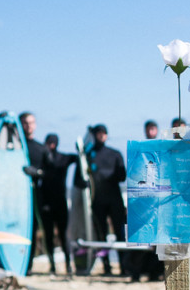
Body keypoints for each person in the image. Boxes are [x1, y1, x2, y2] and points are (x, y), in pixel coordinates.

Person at [88, 124, 128, 276]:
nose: (101, 136)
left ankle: (124, 266)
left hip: (115, 199)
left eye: (104, 133)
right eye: (99, 133)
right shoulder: (89, 154)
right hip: (97, 200)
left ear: (107, 135)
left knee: (120, 233)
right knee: (101, 234)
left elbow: (122, 176)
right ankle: (106, 266)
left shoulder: (115, 154)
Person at [38, 134, 79, 275]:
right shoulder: (41, 161)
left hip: (60, 202)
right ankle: (52, 265)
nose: (50, 146)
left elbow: (79, 158)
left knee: (63, 235)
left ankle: (68, 264)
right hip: (46, 203)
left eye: (52, 143)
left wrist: (83, 148)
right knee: (48, 236)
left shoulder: (63, 158)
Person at [19, 112, 46, 270]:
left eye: (31, 122)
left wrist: (37, 173)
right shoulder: (14, 148)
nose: (28, 126)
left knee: (32, 229)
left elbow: (49, 171)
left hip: (34, 196)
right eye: (24, 123)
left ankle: (27, 266)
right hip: (15, 196)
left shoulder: (40, 148)